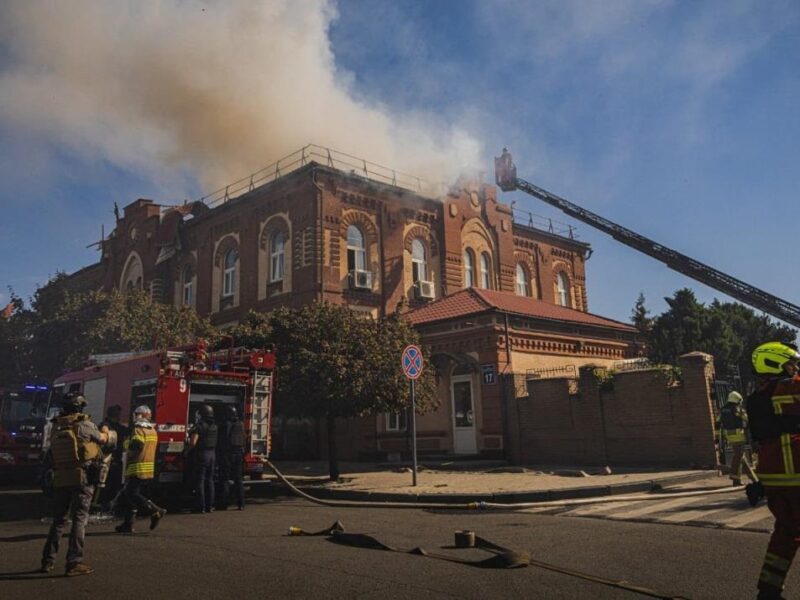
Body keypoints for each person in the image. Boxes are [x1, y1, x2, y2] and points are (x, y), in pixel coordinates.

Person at [747, 341, 800, 599]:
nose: (795, 368)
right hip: (797, 475)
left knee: (787, 533)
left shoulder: (756, 399)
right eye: (792, 364)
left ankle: (768, 591)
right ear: (775, 363)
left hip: (775, 481)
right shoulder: (793, 387)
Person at [40, 392, 109, 576]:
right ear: (80, 407)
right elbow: (103, 440)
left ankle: (48, 561)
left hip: (61, 478)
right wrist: (106, 431)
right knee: (79, 518)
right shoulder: (84, 425)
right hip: (82, 478)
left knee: (59, 520)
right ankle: (74, 562)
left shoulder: (55, 426)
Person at [115, 405, 166, 533]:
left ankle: (155, 511)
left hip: (137, 467)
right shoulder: (152, 431)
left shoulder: (138, 430)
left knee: (132, 494)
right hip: (148, 468)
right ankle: (128, 524)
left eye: (136, 414)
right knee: (130, 496)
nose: (134, 417)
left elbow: (136, 446)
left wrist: (126, 444)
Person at [718, 390, 757, 486]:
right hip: (739, 435)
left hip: (729, 436)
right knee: (739, 456)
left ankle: (754, 479)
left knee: (741, 456)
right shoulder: (736, 409)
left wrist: (717, 438)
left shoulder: (723, 409)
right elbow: (746, 418)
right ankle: (735, 476)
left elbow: (717, 422)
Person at [185, 404, 218, 513]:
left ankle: (200, 507)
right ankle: (210, 506)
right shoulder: (215, 426)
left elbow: (193, 442)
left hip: (202, 454)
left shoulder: (199, 426)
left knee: (200, 481)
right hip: (212, 455)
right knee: (210, 481)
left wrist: (186, 451)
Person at [99, 404, 129, 511]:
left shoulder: (114, 426)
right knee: (105, 484)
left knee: (112, 484)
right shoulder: (105, 426)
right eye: (118, 414)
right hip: (107, 460)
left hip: (114, 460)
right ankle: (102, 505)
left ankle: (106, 505)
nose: (120, 416)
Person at [219, 406, 245, 510]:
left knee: (225, 479)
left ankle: (224, 504)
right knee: (238, 479)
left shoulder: (226, 425)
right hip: (239, 454)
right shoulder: (241, 424)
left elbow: (223, 439)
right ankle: (241, 504)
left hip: (228, 454)